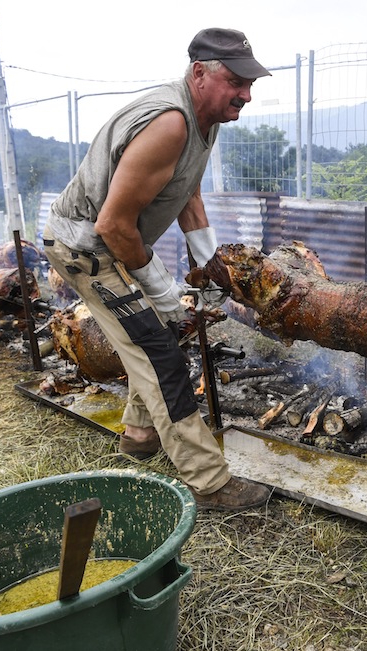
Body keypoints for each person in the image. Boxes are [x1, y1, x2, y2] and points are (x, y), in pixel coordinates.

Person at [42, 28, 274, 511]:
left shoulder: (205, 120)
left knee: (166, 334)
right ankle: (209, 482)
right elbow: (113, 225)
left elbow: (186, 188)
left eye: (250, 84)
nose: (246, 95)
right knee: (157, 354)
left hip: (113, 244)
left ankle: (140, 435)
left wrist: (208, 258)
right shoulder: (170, 122)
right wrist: (164, 291)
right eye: (236, 81)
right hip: (87, 249)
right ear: (199, 75)